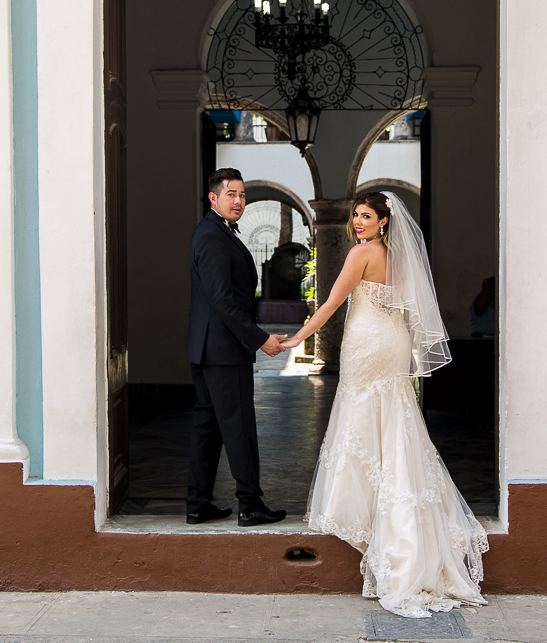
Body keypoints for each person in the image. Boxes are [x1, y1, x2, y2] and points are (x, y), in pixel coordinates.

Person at [278, 191, 488, 618]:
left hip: (366, 342)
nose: (358, 222)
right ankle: (399, 505)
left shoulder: (361, 254)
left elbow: (334, 301)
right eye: (356, 216)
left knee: (361, 413)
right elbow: (412, 312)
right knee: (396, 416)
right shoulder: (402, 258)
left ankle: (365, 508)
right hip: (393, 342)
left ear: (384, 221)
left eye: (366, 216)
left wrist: (299, 337)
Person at [185, 168, 288, 527]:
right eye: (232, 194)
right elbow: (222, 302)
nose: (239, 201)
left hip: (209, 348)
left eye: (242, 195)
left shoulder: (214, 232)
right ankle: (250, 504)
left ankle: (198, 504)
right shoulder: (212, 236)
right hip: (223, 351)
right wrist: (260, 339)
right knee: (239, 425)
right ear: (213, 197)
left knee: (209, 427)